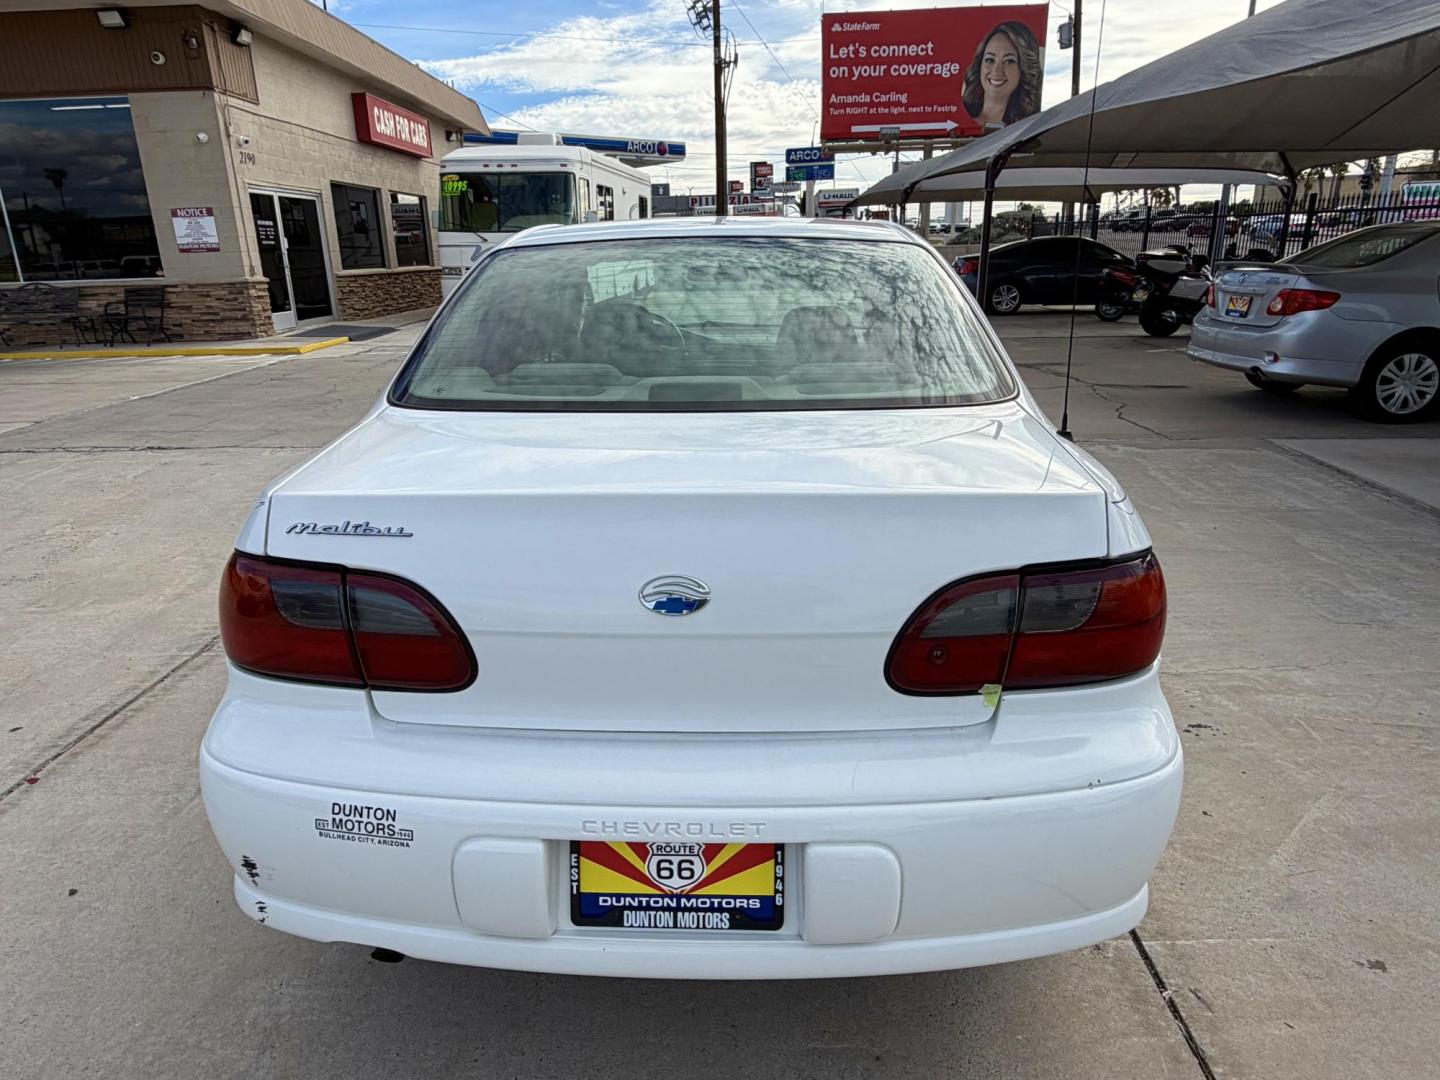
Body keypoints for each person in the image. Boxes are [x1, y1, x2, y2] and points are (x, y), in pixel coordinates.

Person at [962, 22, 1042, 129]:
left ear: (1023, 68)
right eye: (990, 60)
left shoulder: (1027, 127)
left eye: (1009, 61)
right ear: (980, 65)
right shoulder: (960, 117)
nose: (997, 70)